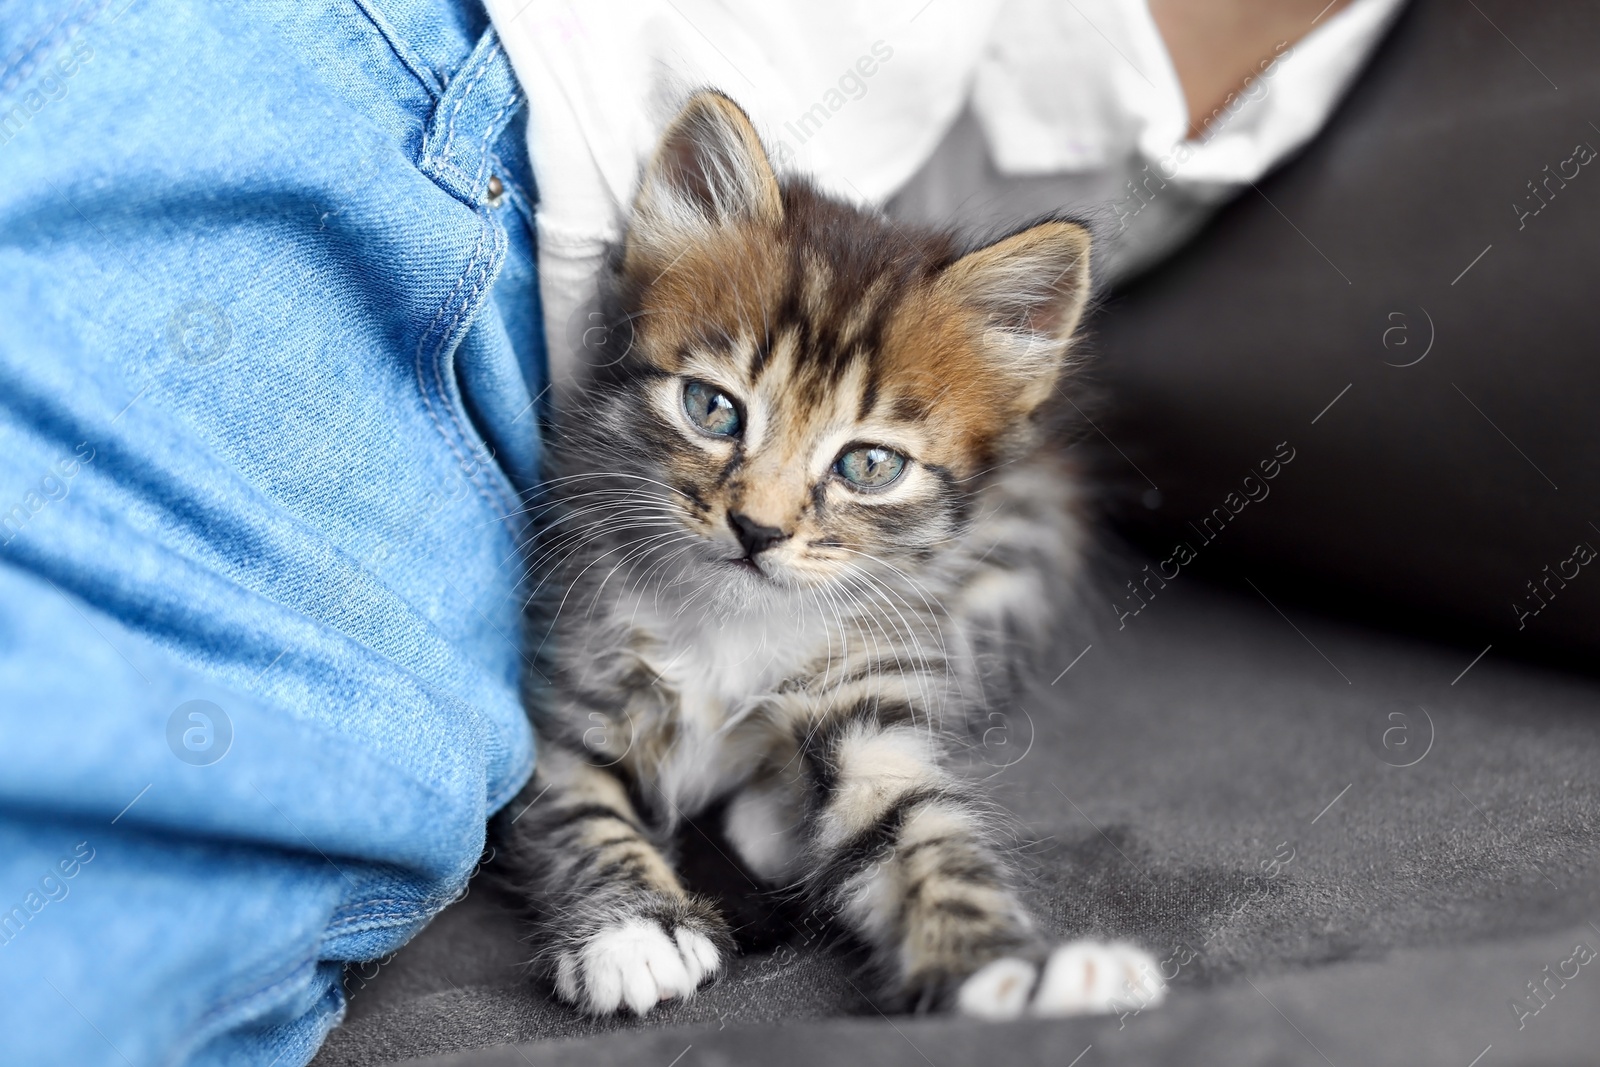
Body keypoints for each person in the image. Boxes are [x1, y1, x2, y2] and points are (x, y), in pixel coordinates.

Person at [0, 1, 1402, 1061]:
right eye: (721, 419)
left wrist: (980, 964)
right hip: (404, 99)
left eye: (852, 467)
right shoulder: (626, 477)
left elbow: (890, 773)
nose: (759, 513)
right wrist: (616, 898)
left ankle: (973, 971)